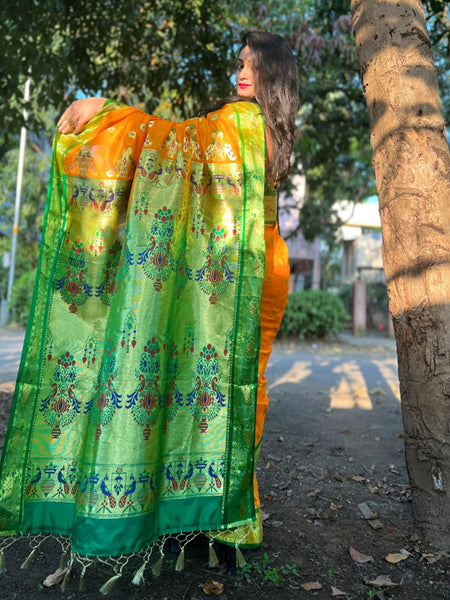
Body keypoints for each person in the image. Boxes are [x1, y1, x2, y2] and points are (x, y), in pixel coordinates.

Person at [0, 30, 298, 590]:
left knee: (233, 388)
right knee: (235, 387)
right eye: (240, 64)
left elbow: (169, 141)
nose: (241, 74)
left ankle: (221, 519)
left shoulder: (246, 123)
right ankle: (222, 520)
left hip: (248, 270)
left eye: (253, 66)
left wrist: (105, 112)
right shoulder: (263, 127)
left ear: (274, 76)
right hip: (254, 262)